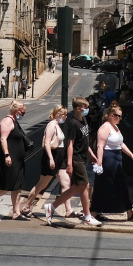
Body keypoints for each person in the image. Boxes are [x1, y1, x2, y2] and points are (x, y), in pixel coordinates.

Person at [50, 97, 102, 226]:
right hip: (76, 158)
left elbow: (85, 140)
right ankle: (87, 215)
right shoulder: (73, 123)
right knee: (85, 185)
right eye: (85, 107)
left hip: (84, 158)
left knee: (77, 187)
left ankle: (51, 206)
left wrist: (91, 153)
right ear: (78, 108)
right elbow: (70, 144)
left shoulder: (83, 120)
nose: (87, 110)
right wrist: (69, 163)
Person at [90, 103, 133, 220]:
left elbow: (120, 143)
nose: (119, 118)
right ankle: (94, 212)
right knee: (106, 185)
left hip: (117, 159)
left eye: (120, 116)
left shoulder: (116, 127)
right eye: (117, 115)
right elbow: (100, 146)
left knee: (119, 185)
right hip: (108, 159)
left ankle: (128, 212)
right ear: (109, 115)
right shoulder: (105, 127)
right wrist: (99, 162)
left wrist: (131, 155)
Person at [24, 105, 72, 222]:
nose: (66, 116)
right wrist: (51, 158)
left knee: (66, 182)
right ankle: (26, 206)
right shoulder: (51, 125)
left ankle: (68, 210)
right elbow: (46, 143)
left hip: (59, 158)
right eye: (64, 114)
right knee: (42, 184)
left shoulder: (57, 125)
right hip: (52, 157)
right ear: (58, 114)